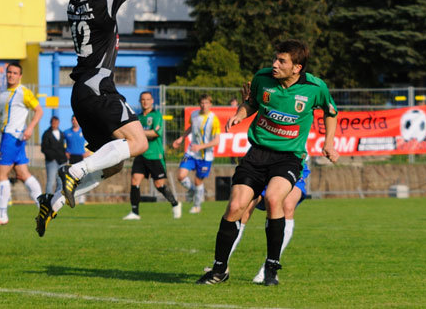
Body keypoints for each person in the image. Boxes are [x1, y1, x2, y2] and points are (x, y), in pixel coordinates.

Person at [35, 0, 157, 236]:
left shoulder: (75, 2)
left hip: (81, 93)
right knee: (139, 144)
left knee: (115, 162)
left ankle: (53, 201)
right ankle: (76, 170)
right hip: (98, 88)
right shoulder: (102, 3)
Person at [197, 39, 339, 286]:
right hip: (257, 154)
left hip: (288, 157)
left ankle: (271, 268)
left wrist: (329, 142)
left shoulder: (315, 87)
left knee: (275, 200)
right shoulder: (263, 78)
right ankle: (219, 270)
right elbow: (252, 103)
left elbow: (330, 112)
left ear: (297, 67)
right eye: (275, 58)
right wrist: (240, 114)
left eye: (281, 61)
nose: (274, 64)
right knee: (235, 207)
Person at [0, 62, 43, 227]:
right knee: (23, 174)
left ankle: (2, 214)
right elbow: (1, 113)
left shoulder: (23, 92)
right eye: (9, 72)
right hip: (10, 136)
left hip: (12, 136)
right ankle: (44, 207)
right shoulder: (3, 92)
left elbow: (39, 110)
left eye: (15, 73)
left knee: (0, 174)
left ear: (20, 76)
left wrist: (30, 128)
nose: (11, 75)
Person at [123, 91, 182, 220]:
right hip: (141, 153)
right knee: (135, 180)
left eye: (148, 99)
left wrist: (138, 133)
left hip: (155, 155)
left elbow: (156, 132)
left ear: (152, 101)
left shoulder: (157, 115)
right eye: (143, 99)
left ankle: (175, 204)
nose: (145, 102)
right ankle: (135, 212)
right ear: (140, 101)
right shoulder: (137, 117)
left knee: (159, 184)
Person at [173, 94, 221, 214]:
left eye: (206, 103)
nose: (204, 105)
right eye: (202, 103)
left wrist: (200, 146)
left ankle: (197, 206)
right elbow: (190, 128)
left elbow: (216, 141)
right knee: (180, 175)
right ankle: (193, 191)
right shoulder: (194, 114)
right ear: (199, 104)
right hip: (191, 152)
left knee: (198, 181)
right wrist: (181, 138)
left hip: (205, 156)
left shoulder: (213, 119)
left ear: (210, 104)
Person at [41, 116, 67, 195]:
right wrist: (51, 157)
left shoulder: (62, 133)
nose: (55, 124)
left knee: (60, 181)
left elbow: (64, 147)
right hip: (51, 161)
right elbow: (44, 148)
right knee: (51, 181)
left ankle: (57, 198)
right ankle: (48, 198)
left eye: (56, 123)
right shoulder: (46, 134)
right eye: (53, 123)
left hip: (61, 161)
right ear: (51, 123)